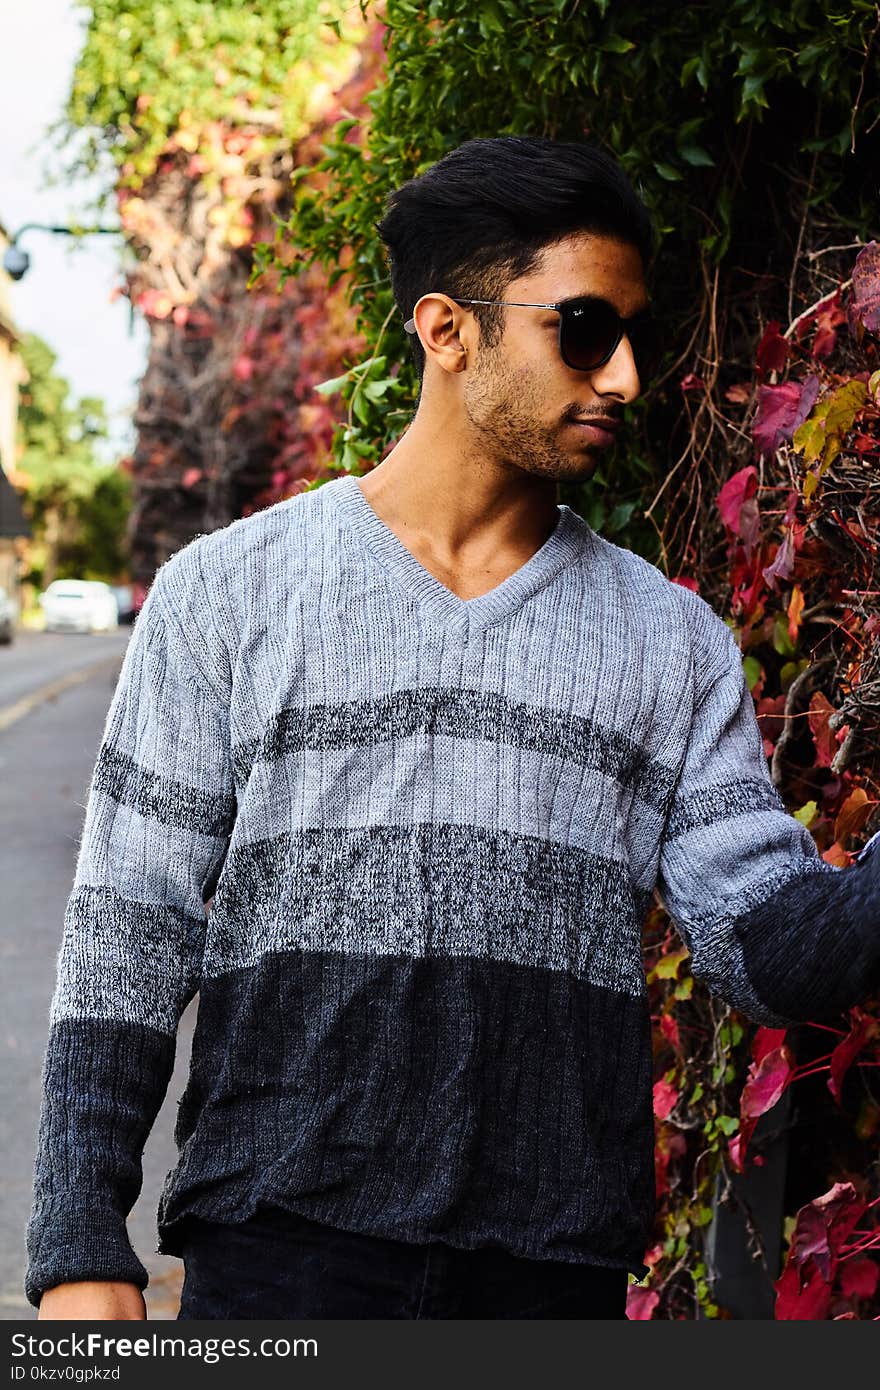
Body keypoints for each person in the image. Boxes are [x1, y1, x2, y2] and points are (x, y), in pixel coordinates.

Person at [26, 135, 880, 1322]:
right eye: (583, 329)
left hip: (550, 1275)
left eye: (634, 334)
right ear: (447, 330)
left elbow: (768, 949)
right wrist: (78, 1238)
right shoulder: (230, 593)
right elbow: (130, 922)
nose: (625, 375)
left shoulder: (668, 642)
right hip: (277, 1259)